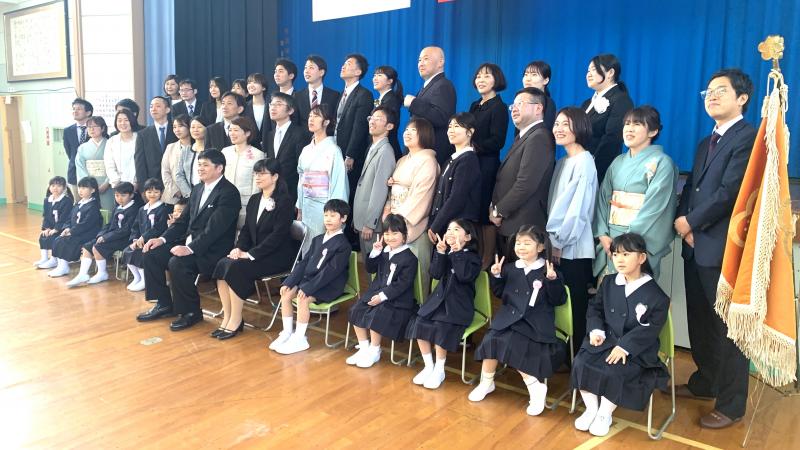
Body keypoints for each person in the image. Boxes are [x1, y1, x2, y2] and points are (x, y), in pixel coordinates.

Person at [673, 68, 757, 429]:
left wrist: (691, 223)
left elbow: (730, 192)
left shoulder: (748, 138)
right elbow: (692, 187)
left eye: (721, 90)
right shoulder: (706, 141)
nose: (712, 96)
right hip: (694, 245)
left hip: (722, 248)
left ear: (742, 98)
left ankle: (731, 404)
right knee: (701, 321)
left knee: (728, 329)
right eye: (708, 91)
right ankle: (705, 382)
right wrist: (682, 222)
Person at [571, 233, 670, 437]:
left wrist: (625, 347)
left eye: (626, 254)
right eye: (615, 254)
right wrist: (596, 331)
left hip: (636, 349)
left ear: (641, 258)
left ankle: (604, 414)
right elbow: (595, 309)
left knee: (615, 370)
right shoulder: (608, 282)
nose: (619, 260)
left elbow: (650, 329)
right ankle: (591, 409)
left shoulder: (657, 296)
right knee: (581, 361)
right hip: (606, 339)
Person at [136, 149, 240, 332]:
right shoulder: (198, 189)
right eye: (199, 164)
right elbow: (182, 221)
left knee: (178, 262)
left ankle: (191, 312)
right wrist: (161, 238)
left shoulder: (229, 192)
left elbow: (214, 230)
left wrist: (190, 248)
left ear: (219, 168)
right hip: (191, 245)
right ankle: (164, 304)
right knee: (151, 253)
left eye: (205, 165)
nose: (200, 168)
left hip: (213, 250)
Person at [468, 225, 566, 416]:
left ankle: (535, 388)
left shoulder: (549, 270)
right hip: (508, 320)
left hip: (534, 324)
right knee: (491, 339)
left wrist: (552, 280)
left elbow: (558, 300)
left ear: (540, 247)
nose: (521, 247)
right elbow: (499, 293)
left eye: (527, 243)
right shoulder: (510, 268)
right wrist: (496, 275)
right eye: (518, 243)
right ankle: (486, 382)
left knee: (512, 344)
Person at [212, 158, 298, 340]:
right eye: (256, 174)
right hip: (255, 253)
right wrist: (238, 249)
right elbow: (246, 230)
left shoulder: (285, 201)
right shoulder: (254, 199)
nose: (257, 177)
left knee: (236, 268)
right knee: (223, 264)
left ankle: (236, 319)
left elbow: (278, 236)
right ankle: (227, 316)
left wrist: (250, 254)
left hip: (276, 256)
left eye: (262, 174)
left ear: (275, 177)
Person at [593, 105, 678, 279]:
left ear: (653, 131)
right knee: (608, 290)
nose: (629, 129)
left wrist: (625, 243)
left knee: (635, 291)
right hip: (610, 238)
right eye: (627, 124)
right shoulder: (618, 161)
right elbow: (603, 199)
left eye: (637, 124)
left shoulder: (662, 163)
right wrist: (602, 234)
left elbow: (655, 209)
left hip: (637, 241)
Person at [547, 107, 598, 354]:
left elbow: (578, 211)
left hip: (573, 248)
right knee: (561, 305)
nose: (558, 129)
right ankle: (563, 354)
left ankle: (577, 359)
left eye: (565, 124)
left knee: (576, 306)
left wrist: (560, 241)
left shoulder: (585, 162)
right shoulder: (563, 161)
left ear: (580, 127)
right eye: (557, 124)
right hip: (558, 244)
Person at [407, 219, 481, 389]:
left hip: (458, 306)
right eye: (448, 229)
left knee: (441, 326)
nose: (450, 232)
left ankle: (440, 369)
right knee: (420, 321)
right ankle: (429, 366)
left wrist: (456, 253)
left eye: (456, 229)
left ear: (468, 237)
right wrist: (440, 253)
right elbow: (435, 273)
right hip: (438, 301)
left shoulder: (472, 257)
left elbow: (463, 276)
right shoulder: (446, 252)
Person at [271, 199, 351, 354]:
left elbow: (330, 272)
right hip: (311, 281)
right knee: (286, 294)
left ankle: (300, 338)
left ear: (343, 218)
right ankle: (287, 332)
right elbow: (303, 263)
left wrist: (308, 288)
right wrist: (289, 282)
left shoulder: (343, 245)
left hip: (329, 285)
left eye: (333, 216)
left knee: (303, 299)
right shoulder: (317, 239)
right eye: (326, 215)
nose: (328, 219)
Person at [346, 214, 418, 368]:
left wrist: (382, 296)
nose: (390, 238)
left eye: (395, 233)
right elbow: (370, 268)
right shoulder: (384, 251)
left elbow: (402, 284)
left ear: (404, 236)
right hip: (377, 293)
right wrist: (375, 252)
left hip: (398, 301)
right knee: (357, 309)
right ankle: (364, 347)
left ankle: (375, 350)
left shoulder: (410, 258)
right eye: (387, 234)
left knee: (377, 314)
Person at [490, 87, 555, 257]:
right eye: (513, 105)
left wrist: (498, 211)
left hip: (524, 228)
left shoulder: (539, 137)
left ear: (538, 108)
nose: (514, 109)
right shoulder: (524, 136)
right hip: (512, 225)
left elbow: (525, 184)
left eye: (520, 104)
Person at [385, 118, 439, 296]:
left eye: (413, 130)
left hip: (412, 225)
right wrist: (388, 210)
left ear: (424, 134)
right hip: (395, 220)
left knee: (416, 276)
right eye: (406, 130)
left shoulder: (428, 161)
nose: (407, 133)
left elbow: (421, 196)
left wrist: (399, 223)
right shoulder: (402, 160)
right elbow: (392, 191)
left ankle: (418, 308)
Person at [469, 63, 509, 267]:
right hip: (471, 163)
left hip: (487, 165)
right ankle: (476, 254)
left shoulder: (499, 107)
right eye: (478, 76)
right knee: (473, 211)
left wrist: (475, 147)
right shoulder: (475, 105)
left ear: (496, 80)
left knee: (485, 213)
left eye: (486, 76)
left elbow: (498, 140)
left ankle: (487, 259)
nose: (481, 80)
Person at [66, 182, 137, 287]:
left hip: (124, 239)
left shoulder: (134, 209)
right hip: (111, 236)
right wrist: (101, 234)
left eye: (123, 195)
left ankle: (102, 273)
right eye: (117, 195)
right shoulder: (117, 207)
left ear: (131, 195)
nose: (119, 198)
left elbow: (126, 230)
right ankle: (82, 274)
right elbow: (109, 224)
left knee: (97, 247)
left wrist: (106, 237)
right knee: (87, 246)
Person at [296, 105, 349, 246]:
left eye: (316, 116)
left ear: (326, 122)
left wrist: (334, 213)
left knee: (322, 245)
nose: (311, 119)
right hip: (307, 204)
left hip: (324, 206)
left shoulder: (334, 150)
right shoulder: (306, 150)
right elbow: (301, 179)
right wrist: (300, 207)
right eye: (310, 116)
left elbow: (339, 184)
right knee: (307, 245)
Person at [427, 113, 481, 242]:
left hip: (459, 229)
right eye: (450, 126)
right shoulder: (452, 159)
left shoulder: (468, 160)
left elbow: (457, 197)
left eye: (456, 126)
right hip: (446, 225)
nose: (451, 130)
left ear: (470, 132)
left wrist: (436, 225)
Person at [581, 54, 634, 183]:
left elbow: (612, 138)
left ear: (610, 73)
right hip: (580, 166)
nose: (589, 74)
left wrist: (592, 168)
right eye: (588, 70)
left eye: (594, 69)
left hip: (599, 171)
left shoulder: (621, 100)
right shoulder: (587, 103)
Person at [353, 106, 396, 261]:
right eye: (371, 118)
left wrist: (370, 223)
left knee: (373, 266)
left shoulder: (385, 152)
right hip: (363, 220)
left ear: (389, 126)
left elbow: (380, 191)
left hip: (371, 225)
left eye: (378, 119)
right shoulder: (374, 147)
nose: (372, 121)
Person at [404, 46, 456, 165]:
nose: (421, 63)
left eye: (426, 59)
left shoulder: (443, 85)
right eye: (419, 60)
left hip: (431, 154)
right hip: (419, 152)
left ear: (440, 62)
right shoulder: (429, 85)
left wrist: (413, 103)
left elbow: (441, 117)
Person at [47, 177, 103, 278]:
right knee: (59, 239)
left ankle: (64, 267)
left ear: (93, 190)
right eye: (79, 187)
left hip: (87, 234)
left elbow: (86, 224)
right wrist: (67, 228)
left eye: (84, 188)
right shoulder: (78, 204)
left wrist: (72, 231)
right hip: (76, 232)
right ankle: (61, 266)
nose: (80, 190)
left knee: (67, 241)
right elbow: (69, 219)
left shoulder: (93, 206)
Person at [122, 178, 169, 292]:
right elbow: (135, 226)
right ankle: (137, 277)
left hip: (155, 241)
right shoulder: (142, 209)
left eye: (156, 192)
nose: (152, 194)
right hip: (141, 241)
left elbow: (159, 228)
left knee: (140, 254)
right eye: (149, 192)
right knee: (127, 251)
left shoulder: (163, 209)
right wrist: (135, 239)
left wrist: (144, 237)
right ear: (144, 193)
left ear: (161, 192)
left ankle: (145, 279)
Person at [221, 116, 266, 227]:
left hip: (245, 204)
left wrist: (253, 205)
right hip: (224, 202)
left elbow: (257, 184)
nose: (232, 133)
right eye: (230, 130)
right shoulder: (225, 152)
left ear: (247, 133)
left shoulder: (258, 154)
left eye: (236, 130)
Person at [262, 92, 307, 202]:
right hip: (272, 191)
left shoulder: (300, 134)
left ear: (290, 111)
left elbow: (302, 168)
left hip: (292, 192)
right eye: (271, 105)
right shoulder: (270, 135)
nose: (273, 108)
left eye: (278, 104)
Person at [335, 54, 374, 181]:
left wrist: (350, 155)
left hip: (350, 155)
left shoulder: (364, 95)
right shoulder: (342, 94)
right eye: (344, 63)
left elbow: (360, 128)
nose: (343, 66)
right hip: (336, 151)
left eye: (348, 64)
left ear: (358, 72)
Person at [134, 96, 178, 184]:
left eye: (158, 106)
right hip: (152, 185)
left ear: (167, 110)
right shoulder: (143, 134)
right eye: (151, 106)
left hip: (175, 182)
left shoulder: (176, 130)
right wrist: (143, 188)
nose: (153, 109)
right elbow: (139, 163)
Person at [294, 55, 341, 135]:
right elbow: (295, 123)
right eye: (305, 68)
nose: (306, 71)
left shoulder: (334, 96)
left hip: (326, 139)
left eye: (311, 68)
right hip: (303, 141)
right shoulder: (297, 96)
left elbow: (335, 121)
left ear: (321, 72)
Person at [34, 176, 74, 269]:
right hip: (52, 227)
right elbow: (46, 215)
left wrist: (56, 229)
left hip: (63, 228)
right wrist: (46, 228)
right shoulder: (47, 200)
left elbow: (64, 217)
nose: (55, 188)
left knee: (54, 238)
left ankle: (54, 259)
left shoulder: (67, 201)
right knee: (43, 236)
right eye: (53, 185)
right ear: (49, 187)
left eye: (59, 186)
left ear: (64, 188)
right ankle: (44, 258)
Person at [75, 116, 114, 211]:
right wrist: (87, 185)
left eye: (95, 126)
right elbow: (80, 167)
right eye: (89, 127)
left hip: (107, 184)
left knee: (107, 211)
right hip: (89, 186)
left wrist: (107, 183)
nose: (91, 129)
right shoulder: (82, 147)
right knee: (90, 211)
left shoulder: (111, 144)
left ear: (103, 128)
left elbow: (115, 165)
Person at [372, 65, 404, 159]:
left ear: (390, 81)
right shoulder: (383, 98)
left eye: (379, 75)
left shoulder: (391, 100)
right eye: (374, 75)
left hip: (386, 149)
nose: (375, 78)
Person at [161, 115, 193, 204]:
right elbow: (165, 172)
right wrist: (176, 191)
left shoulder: (196, 147)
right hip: (173, 197)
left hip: (194, 195)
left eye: (181, 126)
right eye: (174, 127)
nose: (177, 130)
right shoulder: (170, 147)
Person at [105, 109, 139, 191]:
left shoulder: (140, 138)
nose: (123, 123)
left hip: (138, 186)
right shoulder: (112, 141)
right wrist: (117, 183)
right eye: (119, 120)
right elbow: (109, 165)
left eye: (126, 120)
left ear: (132, 121)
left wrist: (137, 183)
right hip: (119, 187)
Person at [64, 98, 93, 195]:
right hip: (74, 172)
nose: (75, 111)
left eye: (79, 109)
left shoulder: (96, 129)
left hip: (93, 172)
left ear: (88, 112)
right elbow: (69, 152)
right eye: (73, 109)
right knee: (78, 201)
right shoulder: (68, 130)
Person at [522, 61, 556, 130]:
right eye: (526, 74)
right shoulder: (521, 101)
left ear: (546, 80)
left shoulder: (548, 103)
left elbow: (545, 131)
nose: (528, 79)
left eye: (534, 75)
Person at [243, 73, 271, 148]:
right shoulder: (244, 107)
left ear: (263, 87)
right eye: (249, 83)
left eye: (255, 82)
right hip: (249, 148)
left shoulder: (271, 105)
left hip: (269, 147)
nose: (251, 85)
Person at [177, 118, 207, 190]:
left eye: (199, 127)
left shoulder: (211, 151)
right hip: (189, 193)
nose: (195, 130)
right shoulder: (185, 151)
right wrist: (189, 194)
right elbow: (179, 175)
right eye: (192, 127)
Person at [274, 58, 301, 124]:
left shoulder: (299, 98)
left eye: (280, 71)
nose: (276, 74)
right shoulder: (271, 99)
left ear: (291, 76)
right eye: (275, 71)